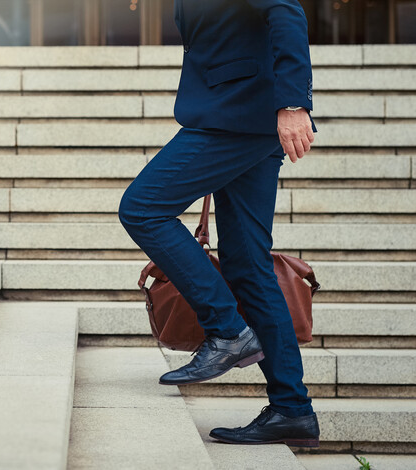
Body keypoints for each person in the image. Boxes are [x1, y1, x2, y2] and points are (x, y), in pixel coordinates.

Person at [117, 0, 320, 447]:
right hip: (238, 114)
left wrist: (292, 102)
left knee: (143, 208)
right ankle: (292, 409)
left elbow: (285, 9)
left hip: (240, 112)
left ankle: (227, 330)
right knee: (248, 265)